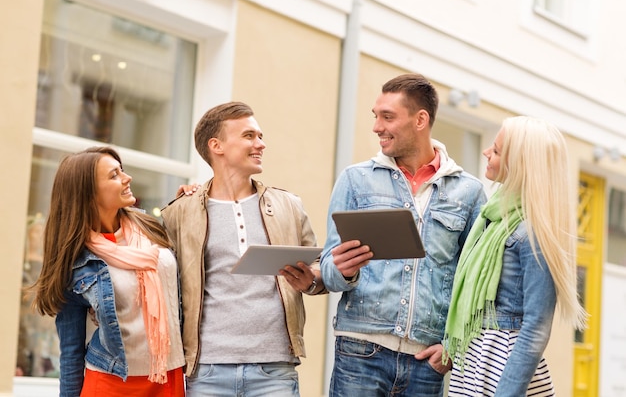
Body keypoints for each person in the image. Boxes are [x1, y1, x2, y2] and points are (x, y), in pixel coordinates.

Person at [319, 73, 487, 397]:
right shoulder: (355, 180)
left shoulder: (469, 192)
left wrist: (454, 345)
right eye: (376, 116)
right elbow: (328, 268)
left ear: (420, 119)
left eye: (388, 117)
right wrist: (342, 270)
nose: (377, 127)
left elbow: (475, 281)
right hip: (360, 353)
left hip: (426, 364)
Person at [160, 101, 326, 397]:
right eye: (249, 136)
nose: (260, 144)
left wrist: (311, 281)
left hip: (274, 369)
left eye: (260, 136)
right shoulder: (179, 213)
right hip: (206, 370)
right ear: (217, 146)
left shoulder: (289, 205)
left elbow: (319, 268)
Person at [442, 116, 588, 396]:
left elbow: (536, 327)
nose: (487, 152)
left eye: (496, 151)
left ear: (519, 164)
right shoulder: (494, 218)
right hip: (476, 365)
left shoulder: (531, 232)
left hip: (503, 371)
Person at [32, 146, 185, 397]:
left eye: (121, 170)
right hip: (111, 383)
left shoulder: (150, 228)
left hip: (168, 376)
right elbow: (71, 351)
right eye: (114, 175)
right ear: (89, 194)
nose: (127, 178)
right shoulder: (76, 261)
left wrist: (193, 201)